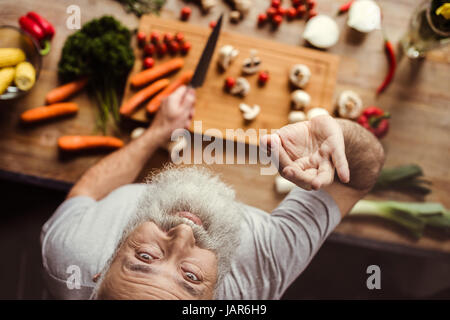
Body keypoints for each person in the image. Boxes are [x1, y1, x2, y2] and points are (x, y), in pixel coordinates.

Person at [41, 86, 384, 299]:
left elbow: (85, 193)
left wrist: (156, 133)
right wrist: (337, 136)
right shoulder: (257, 273)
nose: (183, 232)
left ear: (101, 269)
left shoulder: (69, 254)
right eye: (190, 276)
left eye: (144, 258)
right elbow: (359, 177)